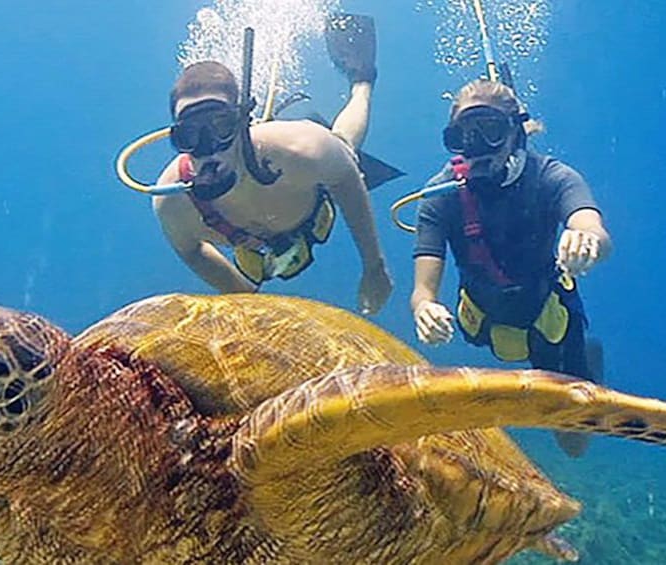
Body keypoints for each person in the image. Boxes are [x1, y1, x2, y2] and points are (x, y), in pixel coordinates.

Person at [410, 78, 613, 457]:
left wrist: (587, 241)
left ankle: (588, 358)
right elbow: (423, 289)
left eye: (489, 131)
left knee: (573, 443)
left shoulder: (551, 176)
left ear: (516, 133)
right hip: (485, 316)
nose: (476, 148)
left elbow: (592, 226)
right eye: (463, 136)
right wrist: (425, 309)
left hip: (546, 315)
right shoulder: (440, 197)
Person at [152, 14, 395, 315]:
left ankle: (361, 83)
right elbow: (190, 250)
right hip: (259, 246)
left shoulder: (301, 148)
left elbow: (346, 176)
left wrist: (374, 265)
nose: (208, 147)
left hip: (315, 196)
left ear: (242, 122)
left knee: (343, 145)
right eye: (191, 135)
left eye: (221, 125)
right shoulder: (172, 201)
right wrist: (250, 300)